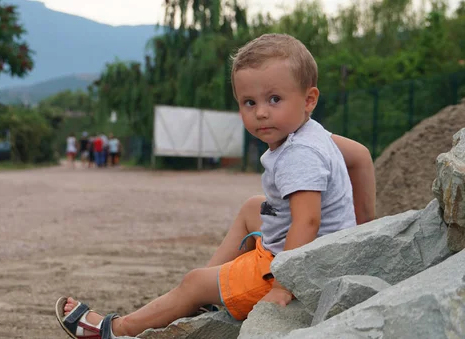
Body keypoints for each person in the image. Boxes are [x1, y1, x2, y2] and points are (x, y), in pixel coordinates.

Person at [54, 33, 376, 338]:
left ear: (309, 99)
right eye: (249, 102)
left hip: (300, 270)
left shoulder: (299, 154)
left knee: (192, 282)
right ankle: (208, 293)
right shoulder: (311, 132)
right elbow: (360, 157)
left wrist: (283, 286)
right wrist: (362, 235)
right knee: (254, 206)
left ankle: (117, 330)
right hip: (319, 252)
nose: (261, 113)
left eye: (274, 99)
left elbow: (308, 220)